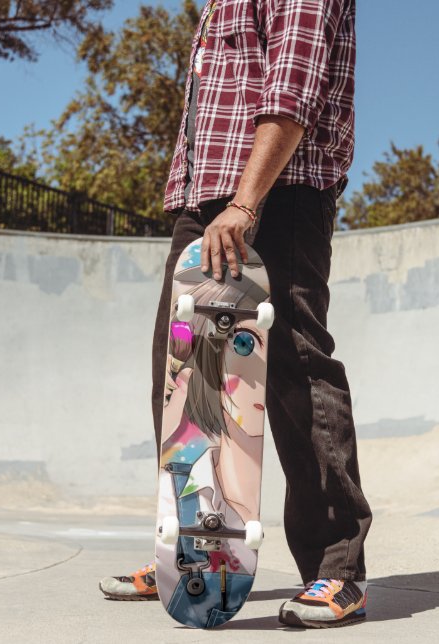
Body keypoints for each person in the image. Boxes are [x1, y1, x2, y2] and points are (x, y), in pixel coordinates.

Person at [100, 0, 372, 629]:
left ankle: (337, 568)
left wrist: (246, 205)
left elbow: (292, 87)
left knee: (294, 368)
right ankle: (193, 553)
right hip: (207, 197)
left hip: (276, 194)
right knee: (181, 377)